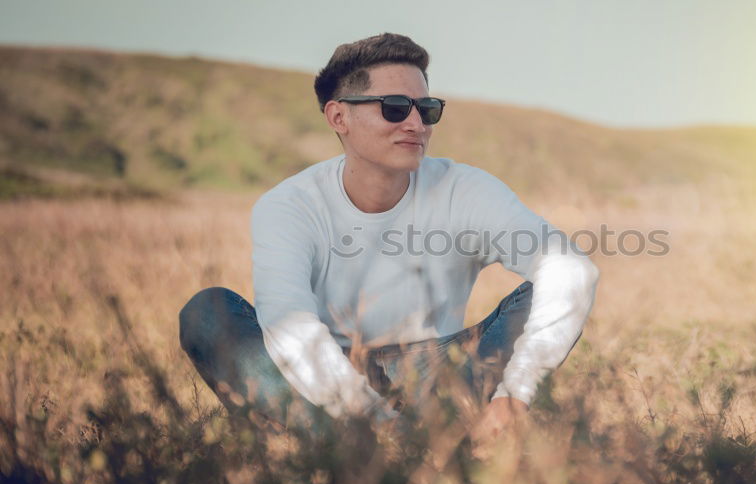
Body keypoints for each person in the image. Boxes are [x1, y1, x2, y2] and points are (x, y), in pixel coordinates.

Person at [178, 33, 599, 447]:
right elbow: (290, 325)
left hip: (443, 376)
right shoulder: (290, 205)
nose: (415, 124)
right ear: (338, 117)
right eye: (395, 108)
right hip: (327, 376)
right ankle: (373, 447)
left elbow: (570, 268)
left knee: (554, 282)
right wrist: (377, 421)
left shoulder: (465, 189)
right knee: (208, 313)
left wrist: (516, 393)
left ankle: (364, 447)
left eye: (427, 109)